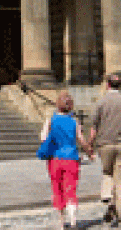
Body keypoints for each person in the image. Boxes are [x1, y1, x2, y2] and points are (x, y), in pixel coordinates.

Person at [87, 75, 121, 227]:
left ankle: (109, 199)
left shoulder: (100, 103)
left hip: (105, 145)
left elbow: (94, 128)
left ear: (108, 85)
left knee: (107, 173)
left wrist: (90, 145)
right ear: (119, 86)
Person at [40, 91, 94, 229]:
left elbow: (43, 138)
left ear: (57, 104)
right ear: (70, 106)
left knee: (57, 189)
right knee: (71, 189)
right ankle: (73, 222)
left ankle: (61, 223)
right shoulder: (74, 121)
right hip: (71, 159)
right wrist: (90, 152)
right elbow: (81, 139)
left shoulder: (51, 120)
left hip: (55, 159)